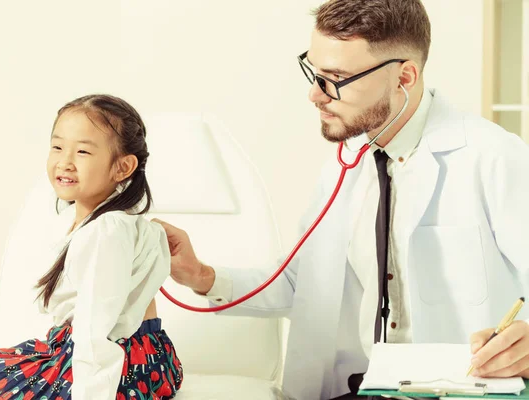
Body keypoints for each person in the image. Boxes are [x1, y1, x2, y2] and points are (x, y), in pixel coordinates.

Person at [154, 1, 529, 399]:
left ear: (404, 76)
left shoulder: (494, 157)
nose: (315, 95)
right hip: (359, 390)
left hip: (462, 390)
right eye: (314, 72)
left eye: (336, 78)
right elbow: (306, 284)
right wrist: (201, 275)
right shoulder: (346, 163)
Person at [0, 94, 183, 400]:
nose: (65, 161)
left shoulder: (105, 232)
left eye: (83, 151)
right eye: (58, 147)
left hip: (119, 367)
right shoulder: (126, 224)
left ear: (122, 167)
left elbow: (94, 331)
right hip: (154, 360)